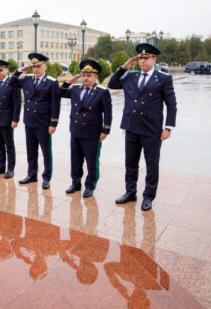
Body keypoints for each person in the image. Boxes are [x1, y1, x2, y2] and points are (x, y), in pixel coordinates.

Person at [107, 43, 177, 211]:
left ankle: (148, 196)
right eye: (140, 58)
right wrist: (124, 67)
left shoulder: (163, 78)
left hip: (151, 130)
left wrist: (168, 128)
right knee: (130, 163)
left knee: (151, 165)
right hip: (131, 127)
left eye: (146, 58)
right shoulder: (131, 76)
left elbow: (171, 104)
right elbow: (112, 84)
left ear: (154, 59)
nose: (143, 61)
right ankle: (130, 192)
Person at [60, 59, 112, 198]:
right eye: (84, 75)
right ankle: (75, 183)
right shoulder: (76, 89)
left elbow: (108, 112)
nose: (86, 78)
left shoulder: (102, 92)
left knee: (91, 161)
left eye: (89, 75)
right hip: (76, 130)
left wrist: (105, 130)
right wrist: (69, 81)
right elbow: (60, 93)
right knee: (75, 160)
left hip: (92, 133)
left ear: (95, 76)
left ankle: (90, 185)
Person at [9, 53, 60, 189]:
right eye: (34, 67)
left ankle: (46, 177)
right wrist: (19, 71)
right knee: (31, 150)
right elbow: (11, 83)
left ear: (45, 66)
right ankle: (32, 174)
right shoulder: (27, 79)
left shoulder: (51, 82)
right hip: (29, 121)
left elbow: (55, 104)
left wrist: (53, 123)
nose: (36, 69)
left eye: (38, 66)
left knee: (46, 152)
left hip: (43, 123)